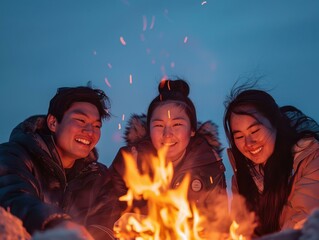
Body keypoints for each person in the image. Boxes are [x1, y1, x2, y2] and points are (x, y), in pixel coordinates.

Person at [0, 86, 121, 240]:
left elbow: (105, 226)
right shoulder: (13, 156)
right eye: (81, 120)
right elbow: (14, 197)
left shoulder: (99, 177)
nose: (90, 131)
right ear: (53, 122)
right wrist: (55, 224)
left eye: (97, 126)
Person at [110, 79, 227, 216]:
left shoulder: (210, 166)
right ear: (149, 130)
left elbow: (219, 223)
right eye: (159, 125)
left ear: (192, 130)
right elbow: (106, 215)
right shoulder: (129, 161)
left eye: (177, 125)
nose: (167, 134)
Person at [223, 82, 319, 236]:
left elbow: (303, 223)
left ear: (275, 123)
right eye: (239, 136)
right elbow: (244, 229)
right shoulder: (242, 175)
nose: (249, 143)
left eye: (255, 131)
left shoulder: (310, 159)